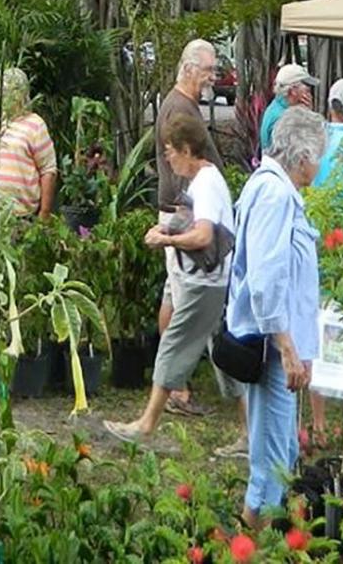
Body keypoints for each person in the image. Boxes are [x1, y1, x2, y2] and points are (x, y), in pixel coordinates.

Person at [103, 113, 247, 447]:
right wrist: (166, 228)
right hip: (211, 282)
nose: (167, 157)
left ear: (186, 148)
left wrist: (166, 241)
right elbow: (191, 222)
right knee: (224, 356)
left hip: (204, 283)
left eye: (170, 150)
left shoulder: (207, 184)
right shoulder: (203, 181)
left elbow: (202, 235)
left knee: (172, 345)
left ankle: (146, 424)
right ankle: (250, 433)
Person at [228, 105, 325, 526]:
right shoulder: (274, 193)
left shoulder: (276, 188)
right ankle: (248, 545)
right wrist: (287, 347)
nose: (319, 167)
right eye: (318, 157)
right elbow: (266, 279)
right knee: (269, 464)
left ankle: (260, 540)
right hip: (270, 349)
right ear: (302, 156)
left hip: (276, 347)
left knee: (281, 452)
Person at [154, 39, 226, 419]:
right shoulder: (179, 108)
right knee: (186, 301)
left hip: (180, 211)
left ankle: (172, 381)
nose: (212, 78)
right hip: (184, 213)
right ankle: (176, 387)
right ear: (188, 68)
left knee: (173, 296)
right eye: (208, 71)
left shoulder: (181, 104)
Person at [0, 67, 56, 218]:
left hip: (21, 215)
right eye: (2, 91)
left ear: (22, 94)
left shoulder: (35, 125)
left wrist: (44, 213)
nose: (5, 96)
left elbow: (48, 170)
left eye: (10, 91)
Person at [259, 64, 318, 153]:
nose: (309, 92)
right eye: (307, 88)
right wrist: (308, 115)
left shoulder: (278, 106)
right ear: (293, 91)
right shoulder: (283, 118)